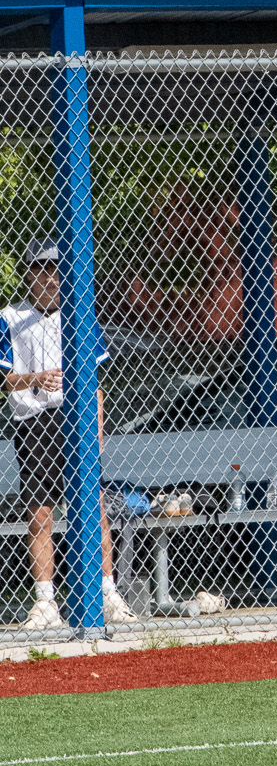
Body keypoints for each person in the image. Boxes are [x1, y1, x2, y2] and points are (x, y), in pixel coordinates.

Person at [4, 241, 132, 628]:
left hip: (74, 417)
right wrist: (35, 379)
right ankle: (46, 603)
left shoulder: (80, 314)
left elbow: (94, 381)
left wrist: (96, 425)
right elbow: (6, 380)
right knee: (41, 513)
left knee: (94, 508)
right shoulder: (10, 317)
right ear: (29, 272)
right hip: (35, 422)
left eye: (57, 268)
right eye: (41, 268)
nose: (50, 276)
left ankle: (108, 593)